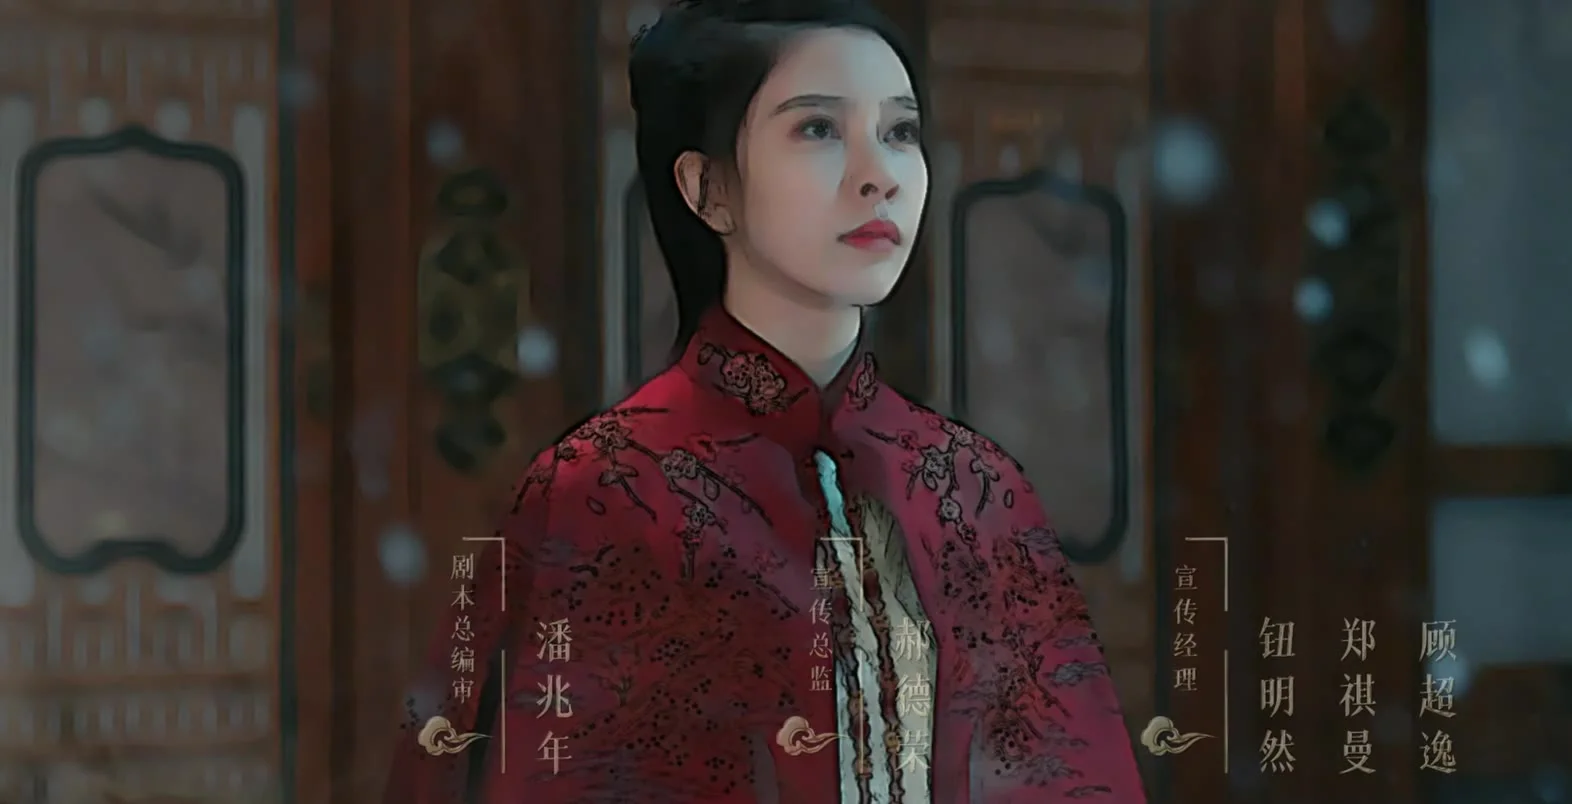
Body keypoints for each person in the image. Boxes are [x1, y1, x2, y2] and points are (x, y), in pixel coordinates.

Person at [380, 0, 1146, 801]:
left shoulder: (977, 487)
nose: (879, 174)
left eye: (900, 132)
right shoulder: (602, 491)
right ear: (707, 188)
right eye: (818, 128)